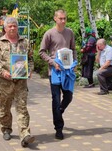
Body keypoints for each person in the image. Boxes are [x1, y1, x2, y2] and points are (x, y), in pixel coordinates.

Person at [0, 17, 35, 147]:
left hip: (21, 83)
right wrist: (2, 72)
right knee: (5, 108)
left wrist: (29, 70)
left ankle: (25, 134)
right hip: (4, 83)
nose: (13, 28)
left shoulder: (24, 42)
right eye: (10, 26)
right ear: (5, 28)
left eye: (15, 26)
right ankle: (6, 129)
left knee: (22, 108)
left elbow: (30, 59)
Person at [39, 9, 77, 140]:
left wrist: (74, 63)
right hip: (55, 71)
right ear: (55, 19)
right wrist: (52, 62)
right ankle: (59, 128)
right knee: (55, 99)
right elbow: (42, 51)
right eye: (61, 18)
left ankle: (59, 111)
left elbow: (73, 49)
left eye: (65, 18)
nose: (63, 21)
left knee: (69, 96)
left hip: (68, 71)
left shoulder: (70, 33)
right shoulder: (49, 33)